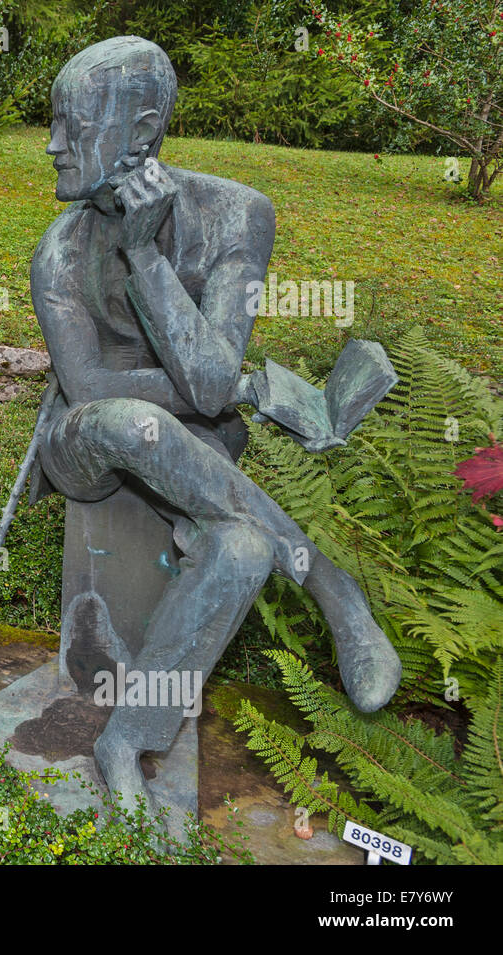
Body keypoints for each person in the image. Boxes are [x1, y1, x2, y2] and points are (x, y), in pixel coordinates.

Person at [31, 36, 402, 816]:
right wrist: (231, 383)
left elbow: (204, 386)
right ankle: (333, 590)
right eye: (52, 122)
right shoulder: (57, 254)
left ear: (140, 133)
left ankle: (127, 738)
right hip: (83, 441)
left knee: (242, 548)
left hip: (196, 454)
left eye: (72, 123)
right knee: (135, 422)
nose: (52, 143)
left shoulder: (238, 214)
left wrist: (149, 261)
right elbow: (97, 388)